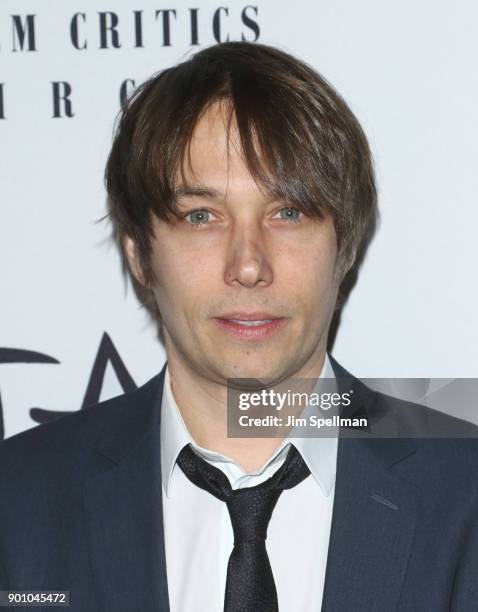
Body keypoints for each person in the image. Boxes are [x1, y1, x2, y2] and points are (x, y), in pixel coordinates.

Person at [1, 41, 477, 612]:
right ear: (138, 253)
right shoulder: (17, 504)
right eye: (201, 217)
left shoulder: (465, 492)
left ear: (345, 246)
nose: (249, 265)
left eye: (288, 212)